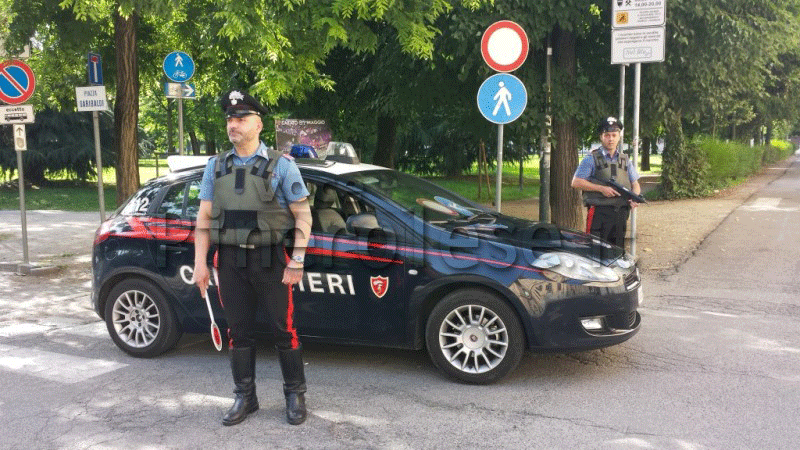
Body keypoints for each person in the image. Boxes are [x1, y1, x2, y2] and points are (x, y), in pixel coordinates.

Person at [193, 90, 313, 426]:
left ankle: (295, 393)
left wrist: (297, 260)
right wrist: (201, 263)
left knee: (283, 330)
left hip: (270, 259)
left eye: (241, 118)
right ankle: (245, 396)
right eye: (230, 118)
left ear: (258, 124)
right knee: (238, 331)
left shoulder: (282, 166)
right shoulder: (215, 166)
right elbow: (204, 218)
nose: (233, 124)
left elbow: (303, 217)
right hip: (229, 260)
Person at [571, 116, 641, 249]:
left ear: (619, 136)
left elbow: (635, 184)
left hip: (621, 213)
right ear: (601, 137)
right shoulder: (591, 159)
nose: (611, 139)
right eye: (607, 135)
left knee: (617, 252)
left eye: (614, 135)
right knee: (595, 252)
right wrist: (601, 189)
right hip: (599, 213)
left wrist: (634, 197)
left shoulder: (625, 160)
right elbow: (576, 182)